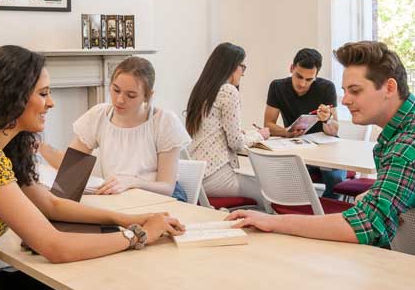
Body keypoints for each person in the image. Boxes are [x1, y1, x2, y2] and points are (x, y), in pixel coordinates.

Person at [0, 45, 184, 290]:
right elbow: (54, 246)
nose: (51, 103)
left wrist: (124, 219)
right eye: (43, 93)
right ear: (13, 96)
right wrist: (137, 235)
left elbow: (51, 205)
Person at [229, 41, 415, 274]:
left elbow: (365, 225)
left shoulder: (408, 147)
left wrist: (273, 221)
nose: (344, 100)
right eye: (344, 91)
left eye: (355, 91)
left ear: (389, 88)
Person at [39, 56, 192, 201]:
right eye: (116, 90)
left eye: (131, 95)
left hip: (163, 199)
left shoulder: (164, 121)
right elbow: (71, 166)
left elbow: (167, 187)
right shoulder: (99, 115)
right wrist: (40, 147)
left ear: (148, 96)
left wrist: (132, 182)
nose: (120, 100)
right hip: (122, 197)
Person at [185, 42, 269, 198]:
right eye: (242, 67)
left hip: (195, 177)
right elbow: (235, 143)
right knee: (271, 190)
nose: (243, 73)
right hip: (216, 176)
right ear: (231, 67)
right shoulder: (228, 91)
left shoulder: (202, 89)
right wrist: (259, 135)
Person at [263, 48, 345, 199]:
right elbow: (268, 124)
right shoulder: (277, 87)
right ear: (291, 68)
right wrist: (287, 132)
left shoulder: (327, 88)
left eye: (309, 79)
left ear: (316, 76)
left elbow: (334, 130)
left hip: (326, 149)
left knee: (335, 179)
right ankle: (301, 212)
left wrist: (326, 119)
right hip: (297, 148)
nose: (302, 83)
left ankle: (325, 214)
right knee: (280, 176)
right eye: (298, 76)